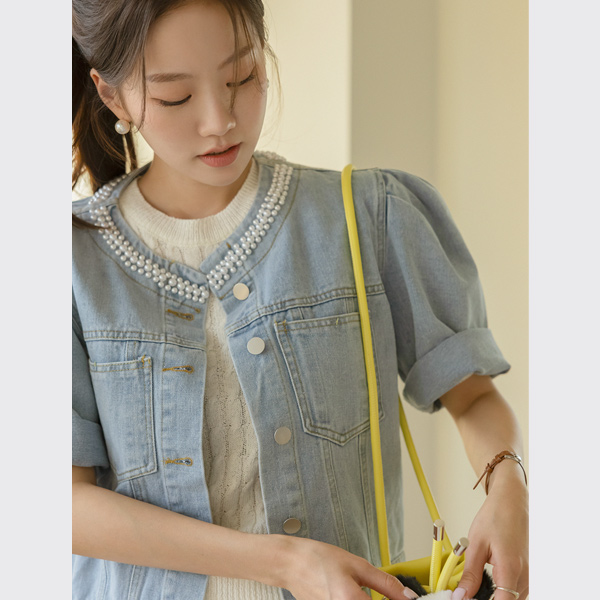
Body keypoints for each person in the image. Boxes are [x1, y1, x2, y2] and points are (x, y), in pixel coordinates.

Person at [72, 1, 529, 599]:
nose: (219, 121)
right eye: (175, 97)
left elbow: (474, 397)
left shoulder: (367, 216)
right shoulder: (73, 263)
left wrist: (508, 485)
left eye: (241, 77)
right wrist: (285, 563)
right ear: (112, 96)